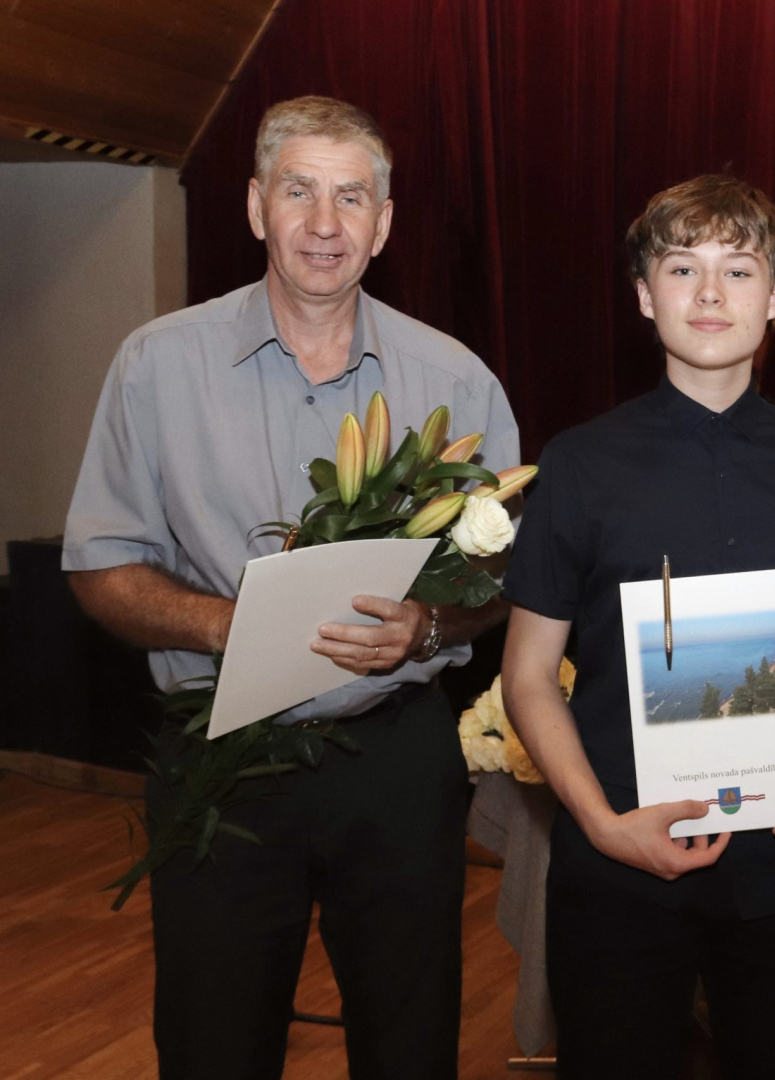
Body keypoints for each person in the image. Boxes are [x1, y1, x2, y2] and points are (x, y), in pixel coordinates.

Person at [62, 96, 519, 1079]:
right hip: (221, 753)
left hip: (395, 758)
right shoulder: (156, 365)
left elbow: (499, 579)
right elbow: (99, 567)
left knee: (411, 1045)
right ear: (255, 206)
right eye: (299, 191)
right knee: (213, 1042)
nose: (323, 222)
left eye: (350, 198)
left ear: (383, 224)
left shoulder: (457, 381)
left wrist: (429, 624)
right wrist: (228, 625)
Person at [499, 174, 775, 1079]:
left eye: (738, 270)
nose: (709, 293)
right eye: (681, 268)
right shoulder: (577, 465)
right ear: (643, 295)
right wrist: (601, 825)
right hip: (619, 867)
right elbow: (527, 676)